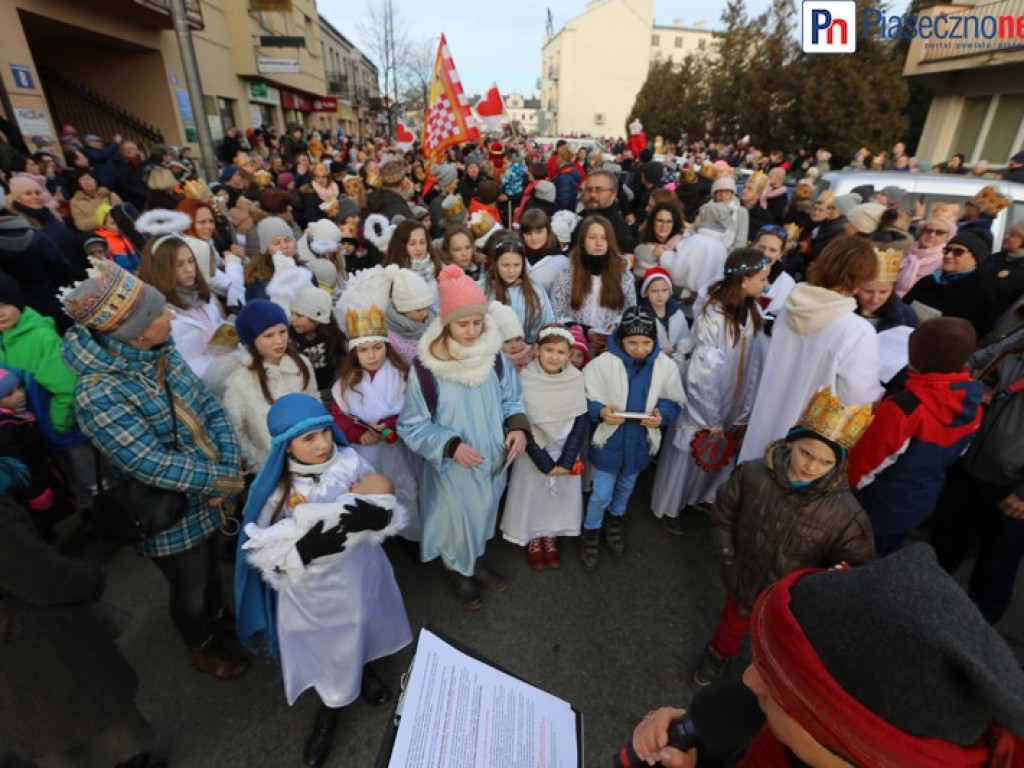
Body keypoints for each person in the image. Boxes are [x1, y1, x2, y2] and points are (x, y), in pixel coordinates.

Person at [632, 544, 1024, 768]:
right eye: (765, 662)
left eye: (783, 685)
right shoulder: (782, 737)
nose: (749, 679)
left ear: (844, 737)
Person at [60, 261, 247, 679]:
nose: (170, 317)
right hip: (169, 510)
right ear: (135, 330)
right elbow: (145, 462)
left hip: (211, 489)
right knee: (191, 583)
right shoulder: (99, 392)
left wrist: (228, 463)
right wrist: (218, 479)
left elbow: (211, 408)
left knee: (213, 565)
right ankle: (202, 646)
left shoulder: (161, 352)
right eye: (160, 314)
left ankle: (219, 622)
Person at [236, 394, 411, 768]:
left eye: (324, 434)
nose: (322, 444)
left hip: (361, 575)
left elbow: (384, 502)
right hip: (313, 594)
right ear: (287, 445)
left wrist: (378, 520)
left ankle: (362, 670)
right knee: (328, 647)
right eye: (309, 439)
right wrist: (302, 551)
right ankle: (330, 709)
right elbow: (261, 549)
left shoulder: (349, 463)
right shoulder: (276, 491)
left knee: (362, 625)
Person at [692, 385, 875, 687]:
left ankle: (761, 682)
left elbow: (852, 566)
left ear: (838, 464)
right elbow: (724, 513)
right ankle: (716, 656)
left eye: (825, 462)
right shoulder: (752, 475)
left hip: (788, 598)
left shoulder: (846, 515)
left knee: (776, 645)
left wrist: (813, 593)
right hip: (743, 576)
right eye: (806, 453)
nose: (811, 467)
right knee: (731, 625)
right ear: (791, 441)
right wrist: (727, 560)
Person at [0, 457, 165, 768]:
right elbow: (40, 576)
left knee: (50, 727)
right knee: (81, 718)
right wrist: (89, 579)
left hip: (22, 645)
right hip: (29, 640)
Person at [397, 264, 528, 610]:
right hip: (453, 464)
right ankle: (458, 569)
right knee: (456, 519)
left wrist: (516, 426)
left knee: (484, 512)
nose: (471, 331)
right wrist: (450, 445)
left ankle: (474, 559)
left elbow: (511, 397)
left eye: (477, 322)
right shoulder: (427, 368)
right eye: (462, 323)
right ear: (445, 322)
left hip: (491, 456)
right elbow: (412, 424)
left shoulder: (495, 356)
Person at [652, 251, 768, 532]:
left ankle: (700, 495)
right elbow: (704, 370)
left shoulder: (752, 311)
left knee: (718, 451)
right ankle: (672, 505)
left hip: (734, 397)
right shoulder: (712, 314)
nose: (767, 283)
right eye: (763, 278)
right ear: (743, 280)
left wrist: (744, 409)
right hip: (706, 398)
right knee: (692, 447)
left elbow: (754, 361)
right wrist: (711, 414)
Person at [739, 237, 883, 464]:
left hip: (766, 417)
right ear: (860, 278)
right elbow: (857, 397)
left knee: (751, 483)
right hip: (809, 441)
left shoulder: (790, 306)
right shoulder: (857, 331)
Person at [849, 318, 981, 556]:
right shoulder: (973, 404)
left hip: (874, 508)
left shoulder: (904, 408)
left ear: (915, 357)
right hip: (918, 500)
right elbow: (958, 452)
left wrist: (841, 493)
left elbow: (865, 464)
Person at [928, 326, 1024, 625]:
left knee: (995, 567)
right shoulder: (1018, 340)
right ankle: (921, 607)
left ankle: (973, 633)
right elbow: (974, 361)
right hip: (969, 464)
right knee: (943, 542)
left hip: (1011, 487)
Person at [580, 307, 685, 570]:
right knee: (601, 493)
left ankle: (614, 524)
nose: (639, 348)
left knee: (626, 489)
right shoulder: (603, 364)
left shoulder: (664, 366)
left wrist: (662, 416)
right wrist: (600, 412)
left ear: (654, 341)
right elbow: (586, 396)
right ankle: (591, 532)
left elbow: (672, 399)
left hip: (639, 443)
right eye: (632, 342)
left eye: (646, 342)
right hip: (610, 443)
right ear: (621, 340)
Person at [331, 265, 421, 541]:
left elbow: (414, 407)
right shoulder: (346, 383)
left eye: (377, 347)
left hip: (398, 445)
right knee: (370, 491)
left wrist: (392, 425)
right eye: (364, 349)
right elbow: (338, 414)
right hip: (365, 450)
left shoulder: (403, 375)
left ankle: (408, 531)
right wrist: (358, 432)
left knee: (404, 486)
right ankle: (373, 536)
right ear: (354, 352)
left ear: (387, 346)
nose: (371, 355)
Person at [501, 324, 587, 569]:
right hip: (534, 452)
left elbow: (580, 419)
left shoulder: (576, 379)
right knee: (535, 497)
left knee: (557, 499)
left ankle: (549, 536)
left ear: (570, 355)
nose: (554, 357)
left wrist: (567, 460)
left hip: (564, 449)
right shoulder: (525, 379)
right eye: (549, 349)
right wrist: (545, 463)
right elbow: (521, 421)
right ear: (537, 349)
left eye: (561, 352)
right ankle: (534, 537)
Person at [224, 299, 318, 472]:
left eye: (283, 332)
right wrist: (259, 463)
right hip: (274, 468)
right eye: (268, 336)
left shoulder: (301, 364)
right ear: (252, 340)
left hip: (314, 458)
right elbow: (237, 432)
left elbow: (315, 403)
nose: (279, 341)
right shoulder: (240, 382)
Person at [551, 215, 637, 356]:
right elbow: (558, 312)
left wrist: (613, 327)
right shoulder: (568, 272)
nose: (599, 243)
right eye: (592, 238)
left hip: (610, 347)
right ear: (583, 241)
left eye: (604, 238)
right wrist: (585, 331)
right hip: (574, 347)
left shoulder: (623, 273)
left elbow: (630, 310)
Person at [903, 230, 1001, 339]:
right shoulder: (927, 281)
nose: (949, 256)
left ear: (975, 259)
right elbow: (902, 309)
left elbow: (976, 337)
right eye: (947, 250)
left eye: (958, 252)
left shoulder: (981, 294)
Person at [483, 230, 555, 344]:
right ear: (495, 264)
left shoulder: (535, 291)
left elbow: (547, 326)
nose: (511, 271)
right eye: (505, 265)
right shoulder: (481, 289)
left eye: (516, 265)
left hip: (527, 354)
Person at [661, 202, 732, 308]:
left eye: (699, 215)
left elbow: (678, 268)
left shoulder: (697, 241)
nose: (696, 217)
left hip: (687, 298)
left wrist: (664, 254)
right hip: (706, 300)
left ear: (707, 218)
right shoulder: (721, 245)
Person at [855, 248, 919, 332]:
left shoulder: (906, 315)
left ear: (892, 289)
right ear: (855, 287)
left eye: (883, 292)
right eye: (868, 291)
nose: (875, 299)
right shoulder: (841, 310)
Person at [576, 169, 636, 254]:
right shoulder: (585, 216)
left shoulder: (618, 228)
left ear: (613, 194)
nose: (592, 195)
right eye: (589, 189)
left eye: (598, 190)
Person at [893, 215, 955, 297]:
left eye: (939, 232)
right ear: (921, 232)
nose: (932, 235)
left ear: (948, 237)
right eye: (928, 230)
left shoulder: (945, 261)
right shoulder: (906, 253)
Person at [385, 267, 436, 365]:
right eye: (418, 310)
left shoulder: (434, 321)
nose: (425, 313)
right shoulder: (391, 334)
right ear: (402, 309)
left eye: (427, 307)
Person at [639, 266, 691, 359]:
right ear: (646, 292)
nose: (660, 295)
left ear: (669, 291)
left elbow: (686, 338)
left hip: (677, 365)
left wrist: (679, 349)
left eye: (664, 290)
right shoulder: (640, 317)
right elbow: (638, 346)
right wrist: (659, 352)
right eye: (654, 291)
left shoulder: (678, 314)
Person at [978, 218, 1024, 316]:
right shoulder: (995, 257)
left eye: (1012, 235)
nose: (1006, 237)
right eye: (1007, 233)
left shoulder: (1020, 269)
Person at [520, 209, 567, 299]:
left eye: (539, 232)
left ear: (547, 231)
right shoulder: (515, 256)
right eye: (528, 233)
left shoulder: (562, 262)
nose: (533, 237)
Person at [633, 202, 686, 280]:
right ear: (653, 222)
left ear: (674, 224)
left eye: (669, 221)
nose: (664, 225)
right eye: (660, 221)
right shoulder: (642, 249)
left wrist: (665, 253)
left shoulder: (683, 245)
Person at [69, 168, 122, 234]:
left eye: (89, 178)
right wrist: (104, 217)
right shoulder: (75, 202)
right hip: (96, 235)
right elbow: (81, 225)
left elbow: (122, 213)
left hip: (117, 231)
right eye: (83, 180)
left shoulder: (110, 195)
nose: (87, 182)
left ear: (95, 179)